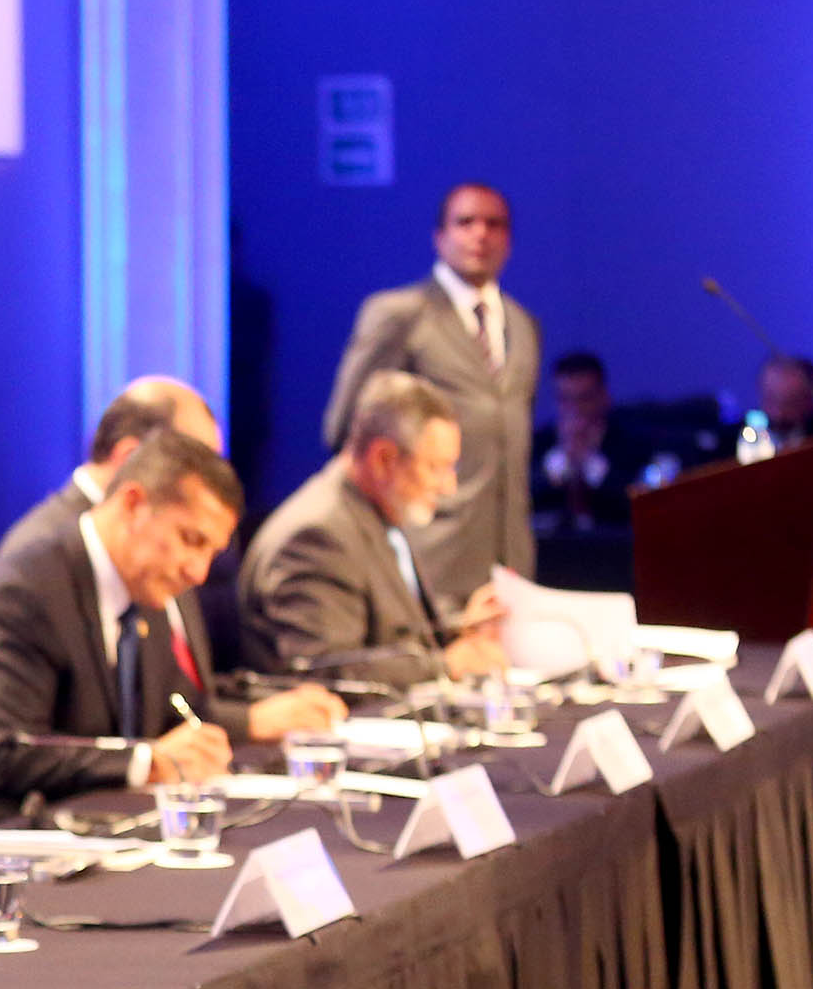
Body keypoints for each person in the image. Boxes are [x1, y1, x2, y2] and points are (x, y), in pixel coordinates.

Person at [0, 430, 344, 822]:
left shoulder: (144, 588)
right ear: (132, 505)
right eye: (191, 540)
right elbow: (8, 754)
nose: (199, 572)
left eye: (212, 552)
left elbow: (175, 711)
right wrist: (147, 762)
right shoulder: (23, 593)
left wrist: (250, 723)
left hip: (85, 821)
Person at [322, 182, 540, 606]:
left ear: (509, 240)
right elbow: (347, 429)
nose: (480, 234)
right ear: (439, 236)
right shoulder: (401, 314)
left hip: (510, 561)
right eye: (465, 222)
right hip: (428, 553)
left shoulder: (523, 325)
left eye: (494, 224)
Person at [241, 370, 508, 689]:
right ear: (384, 459)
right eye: (436, 468)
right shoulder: (317, 536)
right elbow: (325, 671)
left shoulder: (378, 509)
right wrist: (446, 665)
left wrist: (458, 629)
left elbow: (390, 634)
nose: (449, 487)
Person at [0, 374, 220, 560]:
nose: (210, 489)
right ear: (130, 458)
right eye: (193, 467)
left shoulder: (171, 542)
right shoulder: (38, 550)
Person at [530, 350, 645, 535]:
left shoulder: (631, 445)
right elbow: (520, 501)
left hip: (614, 548)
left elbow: (638, 504)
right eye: (565, 399)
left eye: (584, 399)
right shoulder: (537, 445)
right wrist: (560, 463)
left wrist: (590, 463)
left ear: (604, 397)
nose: (574, 409)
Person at [759, 354, 813, 449]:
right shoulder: (745, 434)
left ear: (810, 400)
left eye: (789, 404)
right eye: (771, 400)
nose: (778, 414)